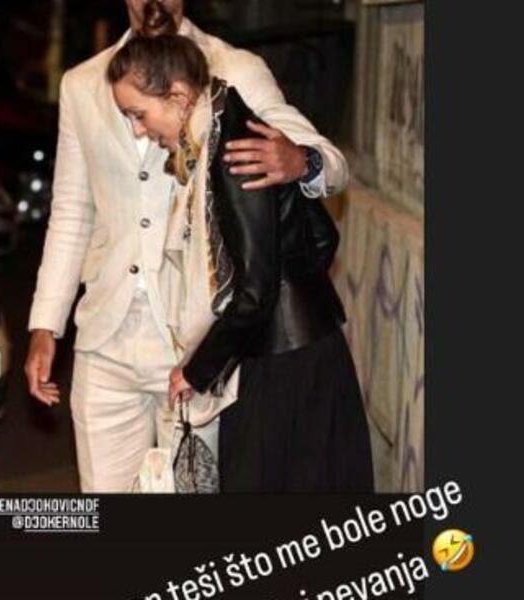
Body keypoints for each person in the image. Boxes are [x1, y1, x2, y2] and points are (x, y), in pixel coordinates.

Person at [25, 0, 350, 493]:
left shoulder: (235, 68)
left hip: (195, 344)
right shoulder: (81, 83)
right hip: (104, 338)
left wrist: (302, 161)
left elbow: (331, 162)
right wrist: (46, 323)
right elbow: (72, 209)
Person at [108, 7, 373, 493]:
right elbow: (317, 241)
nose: (139, 131)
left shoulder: (234, 150)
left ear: (178, 96)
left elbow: (254, 290)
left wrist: (197, 370)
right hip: (287, 354)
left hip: (283, 365)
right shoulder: (213, 136)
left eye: (138, 115)